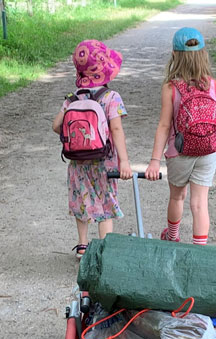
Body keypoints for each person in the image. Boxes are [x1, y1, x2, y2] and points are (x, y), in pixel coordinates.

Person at [144, 27, 216, 246]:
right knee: (200, 204)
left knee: (177, 196)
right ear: (203, 55)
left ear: (174, 56)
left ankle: (172, 236)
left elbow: (163, 125)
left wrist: (155, 160)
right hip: (208, 150)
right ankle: (199, 250)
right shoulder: (215, 86)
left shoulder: (171, 88)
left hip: (179, 152)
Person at [53, 40, 132, 257]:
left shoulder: (73, 98)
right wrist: (124, 161)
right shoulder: (111, 97)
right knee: (105, 204)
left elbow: (56, 125)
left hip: (78, 162)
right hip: (105, 162)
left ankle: (82, 245)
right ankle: (104, 249)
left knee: (81, 201)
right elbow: (116, 130)